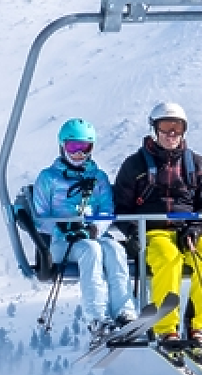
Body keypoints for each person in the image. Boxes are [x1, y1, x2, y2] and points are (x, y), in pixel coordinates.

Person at [113, 101, 202, 360]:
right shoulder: (135, 166)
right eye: (166, 127)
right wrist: (132, 233)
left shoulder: (197, 165)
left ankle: (197, 326)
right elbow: (121, 207)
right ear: (154, 129)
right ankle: (166, 328)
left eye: (177, 128)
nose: (171, 134)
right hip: (153, 230)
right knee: (168, 260)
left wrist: (197, 228)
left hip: (188, 231)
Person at [30, 118, 137, 337]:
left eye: (84, 147)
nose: (79, 153)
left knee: (116, 250)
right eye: (73, 147)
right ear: (62, 146)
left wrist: (95, 228)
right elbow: (40, 218)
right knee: (91, 250)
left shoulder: (98, 178)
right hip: (61, 244)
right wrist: (66, 227)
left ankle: (125, 313)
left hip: (92, 236)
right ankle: (97, 318)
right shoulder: (48, 178)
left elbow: (107, 210)